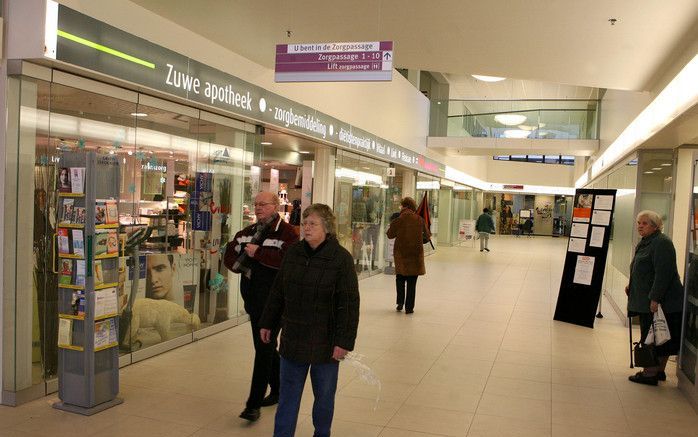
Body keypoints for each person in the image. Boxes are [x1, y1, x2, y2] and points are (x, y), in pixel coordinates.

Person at [259, 203, 359, 437]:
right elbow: (278, 292)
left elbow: (349, 305)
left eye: (312, 223)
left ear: (327, 227)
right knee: (287, 399)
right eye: (304, 223)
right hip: (293, 339)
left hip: (326, 343)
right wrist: (268, 322)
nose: (306, 228)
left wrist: (343, 342)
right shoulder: (293, 253)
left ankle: (321, 433)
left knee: (323, 399)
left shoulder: (341, 259)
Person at [224, 191, 299, 422]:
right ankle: (278, 390)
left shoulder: (287, 233)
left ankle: (253, 405)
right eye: (256, 204)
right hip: (254, 301)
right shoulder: (247, 232)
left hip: (276, 302)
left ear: (275, 206)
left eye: (263, 204)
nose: (258, 208)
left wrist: (259, 254)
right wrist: (241, 264)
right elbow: (230, 253)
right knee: (264, 346)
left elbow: (289, 261)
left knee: (264, 348)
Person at [625, 210, 684, 386]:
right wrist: (632, 285)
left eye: (644, 223)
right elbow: (641, 268)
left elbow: (663, 274)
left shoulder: (662, 243)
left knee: (652, 335)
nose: (640, 226)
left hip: (661, 301)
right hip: (648, 298)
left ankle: (650, 373)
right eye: (638, 223)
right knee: (660, 335)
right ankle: (658, 371)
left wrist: (655, 299)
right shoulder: (647, 242)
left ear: (656, 226)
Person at [386, 197, 426, 314]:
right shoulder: (419, 219)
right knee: (412, 283)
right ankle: (409, 308)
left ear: (405, 206)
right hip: (415, 255)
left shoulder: (399, 219)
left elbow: (390, 235)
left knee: (400, 279)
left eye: (402, 205)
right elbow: (427, 236)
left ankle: (400, 303)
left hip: (401, 255)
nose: (401, 207)